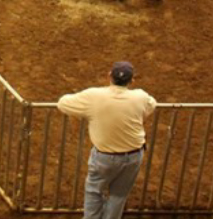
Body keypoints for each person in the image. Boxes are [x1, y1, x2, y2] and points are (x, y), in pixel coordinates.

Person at [57, 61, 157, 219]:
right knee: (119, 195)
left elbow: (62, 103)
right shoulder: (140, 96)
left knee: (93, 190)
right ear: (132, 81)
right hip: (134, 155)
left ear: (109, 76)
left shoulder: (94, 96)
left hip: (105, 157)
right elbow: (151, 106)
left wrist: (89, 111)